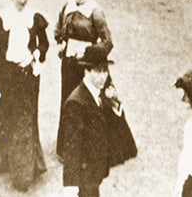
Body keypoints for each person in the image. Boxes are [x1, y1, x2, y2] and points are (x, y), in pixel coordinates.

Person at [0, 0, 49, 191]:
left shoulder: (35, 18)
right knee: (2, 114)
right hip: (5, 75)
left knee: (25, 119)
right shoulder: (1, 19)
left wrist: (38, 54)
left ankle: (23, 172)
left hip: (27, 76)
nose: (22, 1)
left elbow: (44, 43)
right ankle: (1, 159)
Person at [56, 46, 137, 196]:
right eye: (98, 71)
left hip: (95, 171)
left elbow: (113, 125)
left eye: (105, 71)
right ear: (86, 71)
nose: (103, 76)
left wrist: (115, 104)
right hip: (84, 176)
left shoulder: (98, 94)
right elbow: (72, 148)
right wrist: (71, 187)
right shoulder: (76, 102)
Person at [52, 0, 113, 152]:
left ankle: (89, 146)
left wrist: (89, 54)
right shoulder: (68, 7)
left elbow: (107, 42)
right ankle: (67, 146)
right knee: (68, 100)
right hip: (69, 63)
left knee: (87, 102)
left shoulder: (95, 12)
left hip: (86, 66)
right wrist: (62, 44)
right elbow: (58, 30)